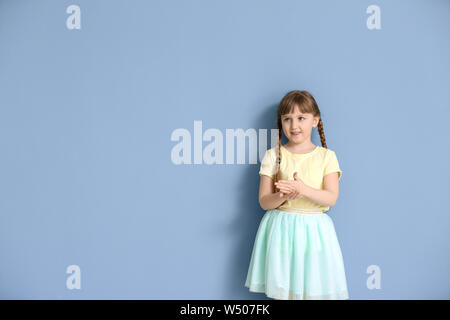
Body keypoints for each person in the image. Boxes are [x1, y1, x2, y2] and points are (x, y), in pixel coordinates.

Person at [244, 90, 349, 300]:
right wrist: (283, 195)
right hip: (281, 230)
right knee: (284, 292)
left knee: (313, 288)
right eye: (287, 119)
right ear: (281, 122)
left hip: (314, 233)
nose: (294, 126)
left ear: (314, 120)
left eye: (301, 118)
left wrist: (302, 189)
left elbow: (331, 197)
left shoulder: (327, 157)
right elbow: (265, 201)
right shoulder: (273, 155)